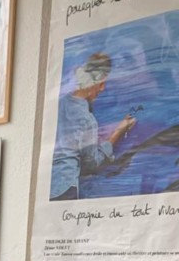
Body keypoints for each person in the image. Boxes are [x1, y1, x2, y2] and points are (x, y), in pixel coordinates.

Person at [50, 52, 136, 200]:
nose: (102, 89)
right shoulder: (86, 119)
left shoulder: (58, 104)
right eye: (102, 84)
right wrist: (117, 133)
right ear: (93, 83)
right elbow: (92, 164)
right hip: (65, 188)